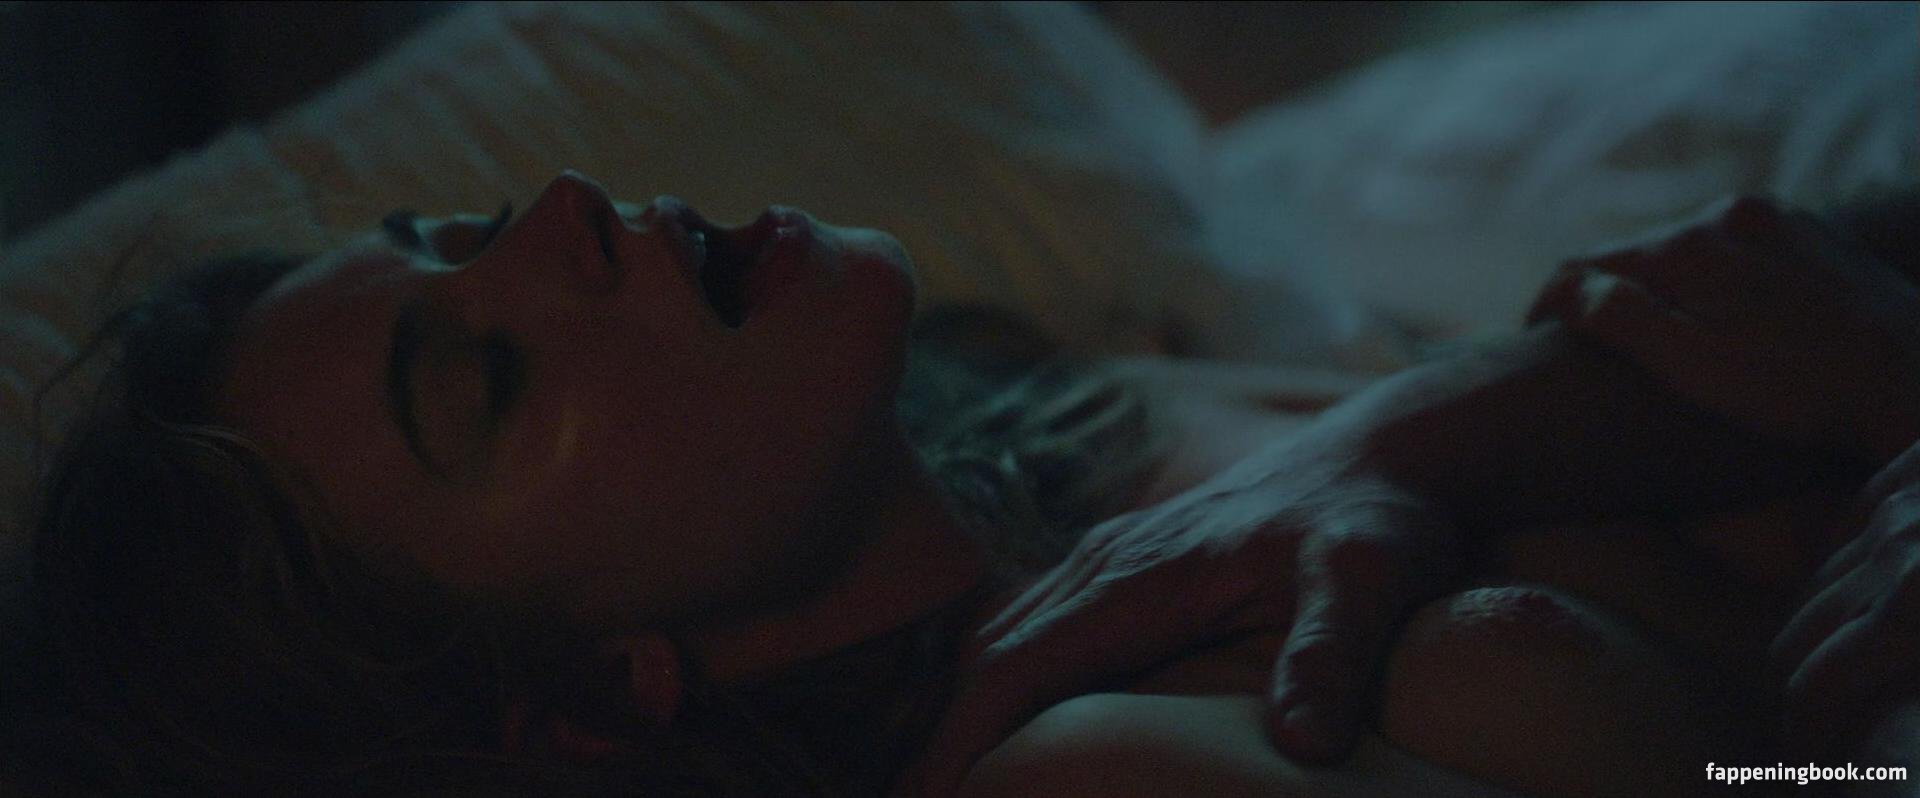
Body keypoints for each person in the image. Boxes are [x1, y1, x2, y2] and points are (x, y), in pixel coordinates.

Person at [8, 166, 1914, 796]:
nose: (564, 209)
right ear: (586, 696)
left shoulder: (1120, 430)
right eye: (479, 377)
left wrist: (1406, 431)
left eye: (461, 228)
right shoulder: (1086, 776)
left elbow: (1784, 284)